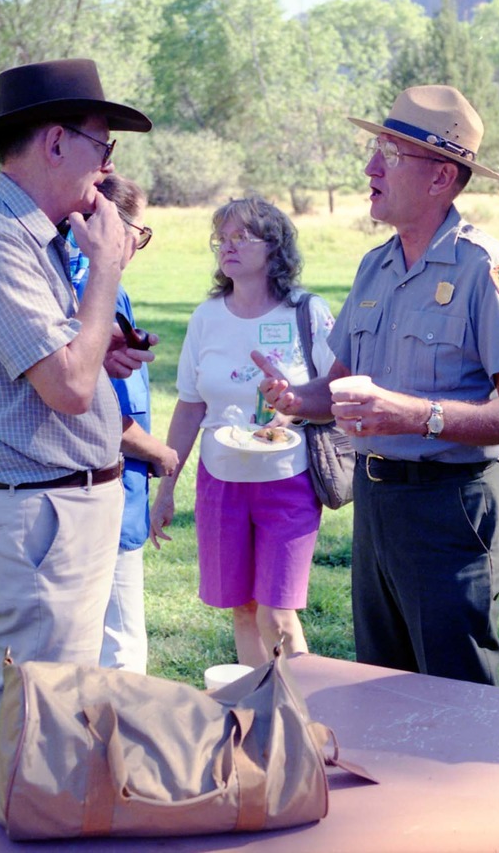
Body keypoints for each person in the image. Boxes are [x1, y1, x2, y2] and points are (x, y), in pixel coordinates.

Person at [253, 85, 499, 686]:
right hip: (376, 505)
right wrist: (297, 400)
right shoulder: (375, 266)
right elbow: (337, 388)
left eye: (389, 152)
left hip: (450, 509)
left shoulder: (485, 268)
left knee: (455, 698)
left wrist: (416, 416)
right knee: (383, 692)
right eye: (375, 149)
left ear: (441, 177)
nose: (370, 167)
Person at [0, 58, 155, 818]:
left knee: (54, 720)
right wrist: (106, 271)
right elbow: (69, 388)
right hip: (39, 516)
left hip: (57, 511)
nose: (108, 166)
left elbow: (61, 366)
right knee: (32, 722)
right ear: (56, 142)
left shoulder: (33, 237)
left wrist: (96, 341)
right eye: (103, 146)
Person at [149, 196, 335, 666]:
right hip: (221, 483)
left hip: (288, 480)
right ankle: (258, 706)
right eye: (221, 239)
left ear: (274, 247)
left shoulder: (307, 312)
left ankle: (300, 706)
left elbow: (336, 389)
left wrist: (292, 410)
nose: (227, 247)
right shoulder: (206, 317)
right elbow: (189, 407)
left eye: (240, 237)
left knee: (278, 614)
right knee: (245, 611)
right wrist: (166, 490)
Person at [67, 172, 179, 673]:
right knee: (121, 648)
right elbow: (99, 410)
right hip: (105, 494)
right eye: (140, 232)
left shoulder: (98, 286)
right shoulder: (93, 292)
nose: (137, 244)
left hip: (109, 493)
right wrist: (162, 454)